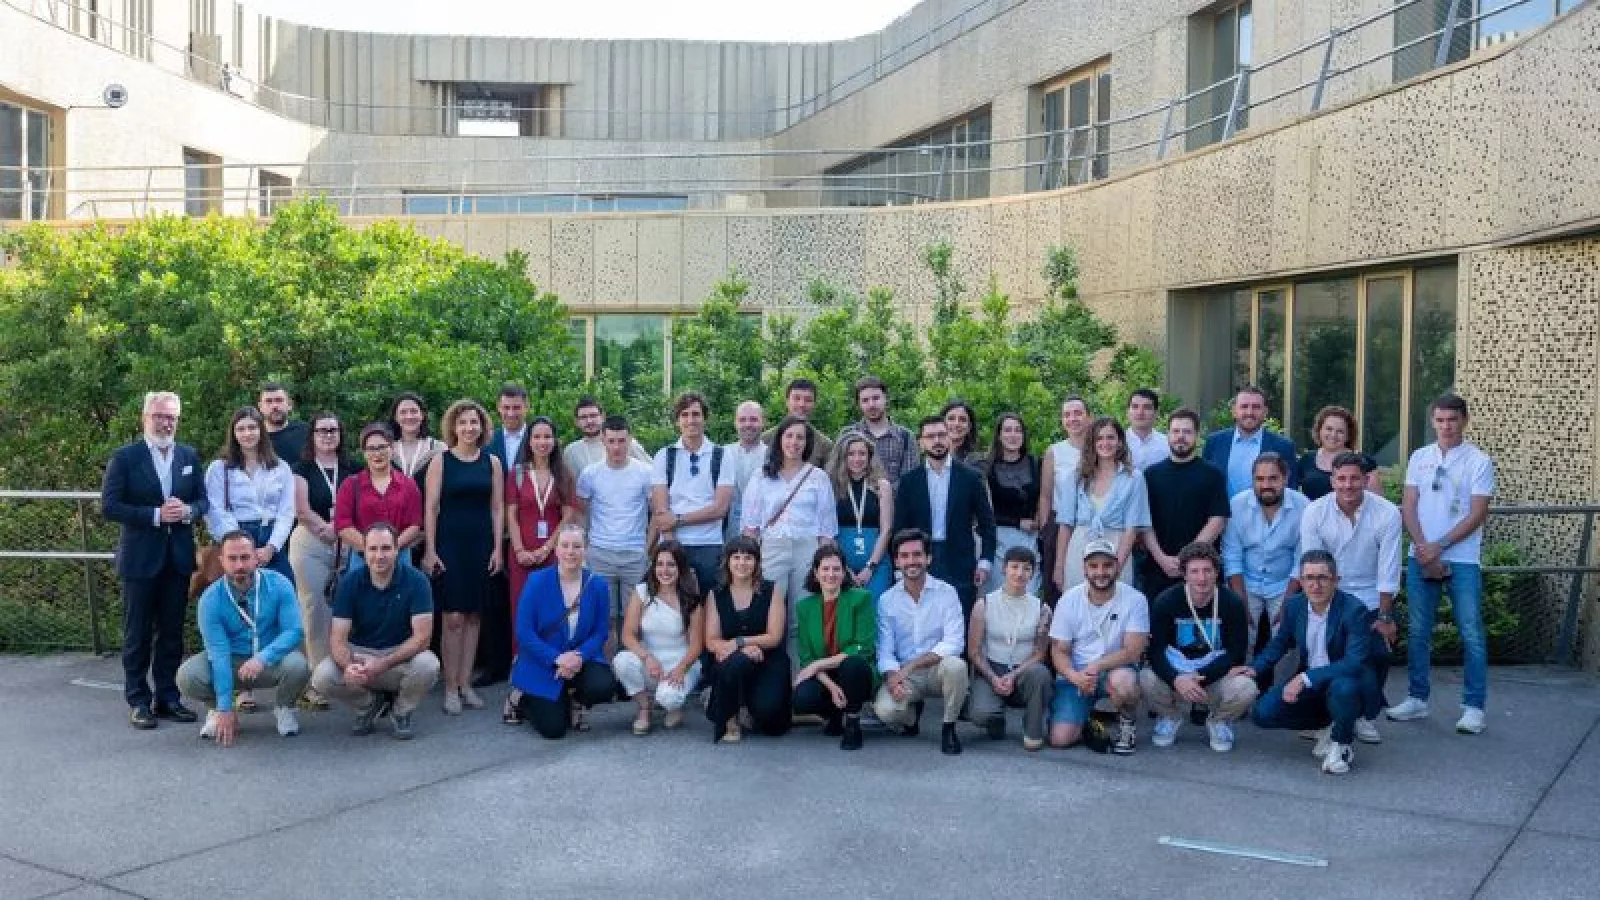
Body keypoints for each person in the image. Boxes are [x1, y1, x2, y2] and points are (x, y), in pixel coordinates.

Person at [1389, 394, 1496, 734]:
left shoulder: (1479, 461)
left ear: (1464, 420)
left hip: (1462, 559)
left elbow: (1477, 514)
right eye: (1440, 420)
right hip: (1421, 555)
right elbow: (1408, 505)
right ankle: (1417, 699)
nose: (1446, 426)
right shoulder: (1420, 457)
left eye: (1452, 419)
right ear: (1433, 422)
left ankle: (1474, 707)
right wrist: (1424, 548)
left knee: (1471, 632)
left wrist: (1440, 546)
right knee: (1418, 631)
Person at [102, 391, 208, 729]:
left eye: (172, 417)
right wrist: (155, 515)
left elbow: (203, 501)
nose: (166, 423)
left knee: (172, 634)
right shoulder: (125, 457)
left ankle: (168, 698)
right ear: (145, 418)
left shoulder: (188, 455)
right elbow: (110, 506)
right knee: (137, 634)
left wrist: (188, 511)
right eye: (160, 416)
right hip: (140, 560)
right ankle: (138, 700)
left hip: (177, 559)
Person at [1239, 550, 1373, 775]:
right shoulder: (1294, 605)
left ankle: (1342, 742)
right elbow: (1279, 643)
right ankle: (1326, 724)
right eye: (1309, 578)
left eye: (1323, 578)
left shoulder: (1354, 610)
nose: (1315, 585)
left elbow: (1354, 662)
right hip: (1312, 682)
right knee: (1263, 713)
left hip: (1344, 681)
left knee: (1344, 688)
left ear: (1336, 580)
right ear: (1300, 581)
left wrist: (1305, 678)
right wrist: (1254, 669)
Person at [1299, 451, 1401, 743]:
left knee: (1378, 655)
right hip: (1328, 593)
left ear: (1366, 480)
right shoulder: (1315, 511)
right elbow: (1314, 565)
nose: (1348, 485)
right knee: (1321, 652)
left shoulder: (1387, 513)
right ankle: (1322, 717)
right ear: (1332, 481)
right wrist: (1322, 610)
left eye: (1354, 479)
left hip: (1371, 596)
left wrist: (1385, 616)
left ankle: (1364, 716)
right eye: (1341, 479)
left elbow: (1389, 568)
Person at [176, 530, 308, 744]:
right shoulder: (210, 600)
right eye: (232, 558)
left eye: (245, 557)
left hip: (269, 660)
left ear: (256, 557)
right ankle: (216, 711)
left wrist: (263, 658)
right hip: (231, 660)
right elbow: (218, 654)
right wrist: (225, 707)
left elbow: (294, 631)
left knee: (298, 665)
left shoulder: (280, 584)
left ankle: (284, 707)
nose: (239, 565)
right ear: (222, 561)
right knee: (188, 676)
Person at [312, 523, 440, 741]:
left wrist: (383, 663)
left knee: (428, 665)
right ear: (364, 551)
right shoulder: (349, 583)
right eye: (373, 549)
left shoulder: (417, 582)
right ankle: (369, 705)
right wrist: (348, 666)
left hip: (399, 654)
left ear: (397, 550)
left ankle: (401, 711)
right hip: (360, 654)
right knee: (322, 677)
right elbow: (337, 638)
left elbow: (422, 638)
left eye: (386, 548)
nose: (379, 556)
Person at [421, 399, 504, 715]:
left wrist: (497, 548)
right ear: (453, 427)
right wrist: (430, 549)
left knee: (473, 616)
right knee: (453, 617)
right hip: (450, 544)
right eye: (463, 422)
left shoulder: (492, 463)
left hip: (481, 544)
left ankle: (466, 684)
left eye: (474, 422)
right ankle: (450, 686)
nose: (469, 428)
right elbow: (431, 508)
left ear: (482, 427)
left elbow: (497, 508)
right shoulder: (440, 461)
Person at [1140, 542, 1259, 752]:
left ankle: (1219, 721)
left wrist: (1199, 677)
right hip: (1177, 674)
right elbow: (1156, 651)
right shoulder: (1166, 601)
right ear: (1184, 574)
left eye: (1207, 570)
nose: (1201, 578)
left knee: (1246, 687)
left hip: (1211, 674)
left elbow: (1235, 651)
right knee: (1146, 677)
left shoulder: (1232, 603)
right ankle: (1169, 716)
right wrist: (1176, 679)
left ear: (1216, 573)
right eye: (1194, 571)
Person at [510, 523, 617, 739]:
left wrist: (578, 656)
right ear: (556, 549)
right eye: (565, 545)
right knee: (554, 730)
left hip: (580, 659)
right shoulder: (537, 582)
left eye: (577, 546)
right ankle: (519, 699)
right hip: (543, 660)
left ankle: (575, 701)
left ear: (585, 550)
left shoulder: (598, 585)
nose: (570, 552)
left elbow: (600, 632)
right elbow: (524, 632)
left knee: (603, 686)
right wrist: (557, 658)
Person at [502, 416, 574, 724]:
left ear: (555, 441)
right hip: (521, 555)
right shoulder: (517, 473)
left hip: (555, 554)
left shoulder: (563, 474)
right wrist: (520, 549)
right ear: (528, 441)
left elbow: (567, 516)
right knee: (523, 617)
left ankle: (556, 682)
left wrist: (547, 549)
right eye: (537, 437)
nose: (542, 442)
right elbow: (511, 515)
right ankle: (518, 689)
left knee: (555, 618)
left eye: (548, 436)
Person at [873, 529, 970, 755]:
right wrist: (893, 679)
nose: (911, 561)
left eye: (917, 554)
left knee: (957, 666)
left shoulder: (947, 593)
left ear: (928, 558)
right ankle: (911, 716)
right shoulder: (887, 601)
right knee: (886, 711)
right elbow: (885, 650)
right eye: (904, 556)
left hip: (938, 668)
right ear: (896, 561)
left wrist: (910, 666)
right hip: (907, 676)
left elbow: (954, 643)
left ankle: (948, 727)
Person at [1048, 539, 1148, 753]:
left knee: (1124, 682)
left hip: (1116, 669)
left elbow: (1133, 651)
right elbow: (1059, 650)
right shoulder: (1068, 600)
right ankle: (1088, 720)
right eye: (1093, 566)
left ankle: (1127, 723)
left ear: (1117, 567)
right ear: (1084, 569)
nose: (1100, 572)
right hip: (1077, 674)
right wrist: (1074, 676)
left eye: (1107, 565)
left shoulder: (1135, 600)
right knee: (1060, 739)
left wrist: (1096, 665)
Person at [1222, 452, 1309, 690]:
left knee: (1287, 637)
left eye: (1273, 478)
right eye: (1259, 479)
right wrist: (1240, 601)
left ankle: (1282, 694)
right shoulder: (1237, 505)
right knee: (1241, 636)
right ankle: (1240, 693)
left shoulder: (1303, 506)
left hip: (1284, 582)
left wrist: (1288, 601)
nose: (1266, 485)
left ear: (1285, 478)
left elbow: (1301, 558)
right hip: (1247, 581)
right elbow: (1232, 556)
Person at [893, 415, 996, 617]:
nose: (937, 441)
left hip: (960, 560)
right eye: (930, 436)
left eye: (941, 435)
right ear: (921, 442)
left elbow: (987, 524)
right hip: (921, 557)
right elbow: (900, 528)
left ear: (949, 438)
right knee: (922, 616)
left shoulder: (971, 477)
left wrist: (985, 561)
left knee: (960, 615)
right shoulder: (909, 481)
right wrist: (899, 567)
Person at [741, 415, 839, 627]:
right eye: (789, 436)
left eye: (800, 438)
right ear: (780, 439)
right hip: (771, 548)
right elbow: (750, 526)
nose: (794, 442)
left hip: (807, 550)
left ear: (807, 443)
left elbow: (826, 529)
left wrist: (825, 561)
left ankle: (798, 651)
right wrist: (751, 559)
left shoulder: (818, 477)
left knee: (801, 615)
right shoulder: (761, 476)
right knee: (767, 611)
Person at [287, 411, 352, 707]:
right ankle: (315, 679)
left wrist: (339, 529)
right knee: (314, 608)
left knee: (345, 609)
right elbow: (301, 509)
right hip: (311, 542)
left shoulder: (352, 468)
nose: (328, 435)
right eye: (322, 430)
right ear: (312, 436)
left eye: (333, 430)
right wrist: (326, 529)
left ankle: (342, 669)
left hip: (348, 542)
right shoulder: (301, 469)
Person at [575, 414, 655, 651]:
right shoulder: (590, 474)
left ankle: (631, 668)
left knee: (636, 618)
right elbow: (580, 513)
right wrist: (584, 546)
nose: (617, 447)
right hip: (600, 553)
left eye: (621, 441)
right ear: (603, 440)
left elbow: (657, 513)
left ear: (630, 439)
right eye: (611, 441)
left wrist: (647, 547)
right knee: (604, 617)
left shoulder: (645, 472)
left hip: (634, 554)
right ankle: (607, 668)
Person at [704, 536, 792, 743]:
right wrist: (740, 650)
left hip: (768, 659)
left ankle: (750, 707)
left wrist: (740, 642)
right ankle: (729, 715)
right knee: (737, 662)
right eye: (736, 557)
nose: (742, 563)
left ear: (757, 562)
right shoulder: (716, 594)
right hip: (731, 661)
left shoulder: (772, 590)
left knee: (772, 723)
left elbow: (774, 637)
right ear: (727, 562)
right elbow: (711, 640)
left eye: (748, 558)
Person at [614, 541, 705, 735]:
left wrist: (681, 669)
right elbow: (627, 635)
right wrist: (646, 657)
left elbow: (697, 645)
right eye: (660, 564)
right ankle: (644, 707)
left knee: (669, 698)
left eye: (671, 565)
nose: (664, 570)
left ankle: (673, 704)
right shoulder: (642, 592)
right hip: (650, 661)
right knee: (622, 661)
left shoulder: (691, 598)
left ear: (680, 568)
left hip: (681, 662)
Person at [967, 547, 1054, 751]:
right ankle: (995, 719)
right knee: (980, 714)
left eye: (1026, 568)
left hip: (1024, 670)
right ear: (1004, 569)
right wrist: (993, 678)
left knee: (1041, 674)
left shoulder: (1042, 608)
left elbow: (1040, 653)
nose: (1019, 573)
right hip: (991, 668)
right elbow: (974, 651)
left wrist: (1013, 675)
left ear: (1032, 573)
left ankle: (1032, 730)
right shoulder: (984, 604)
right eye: (1014, 567)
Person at [793, 545, 877, 751]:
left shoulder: (861, 598)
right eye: (825, 569)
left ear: (844, 572)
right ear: (816, 573)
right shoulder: (804, 607)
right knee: (802, 698)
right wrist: (831, 686)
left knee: (852, 665)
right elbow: (807, 657)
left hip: (856, 671)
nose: (831, 574)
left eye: (836, 569)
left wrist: (818, 664)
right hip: (826, 675)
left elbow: (862, 648)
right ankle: (834, 714)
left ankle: (853, 722)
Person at [651, 392, 736, 595]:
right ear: (677, 420)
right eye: (685, 415)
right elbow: (661, 510)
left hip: (709, 545)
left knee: (709, 603)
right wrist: (672, 547)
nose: (691, 420)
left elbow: (720, 509)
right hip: (673, 544)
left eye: (696, 414)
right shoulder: (664, 456)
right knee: (672, 603)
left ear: (705, 418)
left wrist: (678, 519)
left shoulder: (722, 455)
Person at [1141, 408, 1230, 599]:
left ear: (1197, 436)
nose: (1180, 436)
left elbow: (1218, 520)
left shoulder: (1213, 474)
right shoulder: (1150, 475)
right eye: (1176, 431)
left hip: (1201, 572)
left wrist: (1188, 559)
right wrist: (1161, 558)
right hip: (1158, 569)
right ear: (1168, 435)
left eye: (1187, 432)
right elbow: (1143, 522)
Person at [477, 384, 532, 689]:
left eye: (517, 407)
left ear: (527, 407)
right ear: (498, 408)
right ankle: (495, 663)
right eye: (506, 408)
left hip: (530, 530)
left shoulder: (539, 437)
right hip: (494, 529)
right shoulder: (487, 441)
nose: (511, 413)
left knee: (528, 598)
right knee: (494, 599)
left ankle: (529, 658)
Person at [1054, 417, 1149, 592]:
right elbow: (1065, 524)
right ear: (1092, 442)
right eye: (1099, 438)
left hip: (1116, 549)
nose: (1105, 443)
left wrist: (1116, 566)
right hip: (1079, 550)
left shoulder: (1134, 478)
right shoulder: (1076, 477)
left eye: (1110, 437)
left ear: (1120, 442)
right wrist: (1059, 566)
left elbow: (1131, 529)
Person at [204, 407, 297, 586]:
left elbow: (286, 512)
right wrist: (239, 546)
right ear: (233, 433)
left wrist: (271, 547)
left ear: (261, 430)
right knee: (239, 596)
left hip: (271, 539)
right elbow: (214, 511)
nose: (247, 433)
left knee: (284, 590)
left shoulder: (280, 467)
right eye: (241, 429)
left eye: (252, 428)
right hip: (234, 536)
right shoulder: (219, 469)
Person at [334, 423, 424, 572]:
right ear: (364, 453)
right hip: (361, 558)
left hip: (400, 556)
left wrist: (391, 549)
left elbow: (415, 524)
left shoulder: (408, 485)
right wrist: (372, 550)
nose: (377, 453)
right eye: (371, 448)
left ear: (392, 449)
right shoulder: (350, 485)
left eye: (382, 447)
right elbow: (343, 525)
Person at [1036, 395, 1091, 601]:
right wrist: (1046, 528)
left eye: (1078, 413)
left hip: (1089, 523)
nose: (1072, 419)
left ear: (1089, 417)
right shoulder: (1055, 452)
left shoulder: (1100, 449)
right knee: (1057, 582)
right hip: (1059, 523)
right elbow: (1046, 494)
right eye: (1067, 415)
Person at [829, 431, 895, 599]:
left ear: (870, 456)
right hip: (840, 564)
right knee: (843, 609)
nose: (857, 459)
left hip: (876, 562)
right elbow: (828, 531)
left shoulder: (882, 486)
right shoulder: (832, 486)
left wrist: (870, 567)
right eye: (851, 454)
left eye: (862, 453)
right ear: (842, 457)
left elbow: (886, 529)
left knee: (875, 607)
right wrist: (843, 568)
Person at [1202, 385, 1299, 497]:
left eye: (1256, 407)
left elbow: (1290, 490)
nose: (1249, 412)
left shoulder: (1284, 447)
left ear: (1265, 412)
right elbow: (1205, 483)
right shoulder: (1214, 442)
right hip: (1222, 508)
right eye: (1244, 406)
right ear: (1234, 411)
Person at [983, 413, 1042, 595]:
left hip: (1030, 539)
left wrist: (1039, 516)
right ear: (999, 435)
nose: (1013, 435)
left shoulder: (1035, 463)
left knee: (1028, 593)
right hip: (999, 539)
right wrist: (1017, 522)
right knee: (999, 593)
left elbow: (1044, 496)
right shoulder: (987, 468)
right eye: (1007, 430)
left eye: (1018, 430)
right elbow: (984, 511)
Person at [837, 375, 917, 485]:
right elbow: (839, 475)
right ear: (858, 404)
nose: (871, 405)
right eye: (865, 400)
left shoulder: (906, 437)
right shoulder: (847, 435)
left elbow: (910, 480)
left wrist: (885, 492)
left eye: (876, 398)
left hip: (895, 496)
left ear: (886, 399)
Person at [1296, 405, 1381, 501]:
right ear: (1319, 430)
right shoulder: (1306, 459)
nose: (1333, 435)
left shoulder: (1365, 462)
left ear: (1348, 435)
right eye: (1329, 429)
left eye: (1340, 431)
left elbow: (1377, 502)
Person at [563, 396, 652, 474]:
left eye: (593, 415)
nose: (589, 421)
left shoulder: (626, 443)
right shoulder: (572, 451)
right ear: (577, 422)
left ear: (602, 417)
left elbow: (653, 473)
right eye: (583, 417)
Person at [762, 378, 834, 467]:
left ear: (814, 404)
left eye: (808, 400)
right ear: (787, 401)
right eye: (796, 398)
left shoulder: (824, 445)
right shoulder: (766, 439)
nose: (802, 404)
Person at [725, 400, 768, 540]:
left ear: (763, 422)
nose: (748, 424)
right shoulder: (723, 454)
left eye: (754, 419)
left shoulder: (773, 457)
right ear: (735, 423)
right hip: (726, 534)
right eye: (742, 420)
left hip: (763, 533)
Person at [386, 392, 446, 481]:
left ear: (422, 415)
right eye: (403, 412)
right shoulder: (386, 448)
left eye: (414, 411)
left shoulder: (438, 448)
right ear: (396, 417)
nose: (409, 416)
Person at [258, 382, 309, 465]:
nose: (274, 406)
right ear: (260, 407)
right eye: (268, 401)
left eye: (279, 400)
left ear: (290, 405)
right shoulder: (254, 437)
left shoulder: (306, 431)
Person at [1126, 388, 1169, 472]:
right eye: (1135, 407)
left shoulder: (1167, 444)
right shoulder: (1118, 442)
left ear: (1156, 413)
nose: (1140, 412)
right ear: (1128, 412)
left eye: (1147, 407)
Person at [941, 399, 980, 464]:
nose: (956, 424)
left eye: (962, 420)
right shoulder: (927, 458)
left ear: (969, 427)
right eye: (951, 418)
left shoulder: (977, 462)